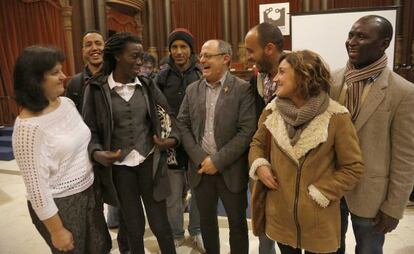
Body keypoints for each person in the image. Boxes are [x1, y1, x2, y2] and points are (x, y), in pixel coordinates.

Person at [249, 50, 365, 254]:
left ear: (303, 75)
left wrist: (321, 192)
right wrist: (260, 165)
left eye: (282, 72)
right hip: (280, 216)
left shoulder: (336, 116)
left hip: (318, 219)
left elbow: (353, 167)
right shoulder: (272, 110)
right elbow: (256, 144)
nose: (275, 78)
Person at [82, 32, 179, 254]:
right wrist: (97, 153)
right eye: (134, 56)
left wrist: (171, 140)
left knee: (161, 225)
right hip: (120, 170)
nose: (140, 62)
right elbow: (89, 132)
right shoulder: (95, 89)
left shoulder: (146, 85)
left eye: (141, 57)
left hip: (149, 162)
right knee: (133, 227)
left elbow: (169, 115)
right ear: (117, 56)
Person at [12, 46, 111, 253]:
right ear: (35, 80)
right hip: (62, 205)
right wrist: (56, 230)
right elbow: (37, 191)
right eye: (55, 72)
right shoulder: (27, 129)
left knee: (101, 247)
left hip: (90, 193)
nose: (63, 76)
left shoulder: (66, 104)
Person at [330, 15, 414, 254]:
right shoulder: (332, 81)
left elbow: (405, 158)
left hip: (372, 196)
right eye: (351, 35)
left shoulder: (403, 92)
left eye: (362, 36)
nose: (352, 42)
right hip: (331, 188)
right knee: (328, 249)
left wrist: (394, 207)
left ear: (384, 43)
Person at [177, 39, 257, 254]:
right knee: (206, 223)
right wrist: (201, 158)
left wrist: (217, 161)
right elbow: (182, 124)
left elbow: (247, 130)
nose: (202, 60)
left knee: (237, 225)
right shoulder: (192, 89)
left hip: (230, 171)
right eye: (201, 56)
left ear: (225, 58)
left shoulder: (242, 89)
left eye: (208, 56)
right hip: (200, 170)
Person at [154, 28, 204, 251]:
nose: (179, 51)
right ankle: (175, 232)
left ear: (191, 49)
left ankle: (196, 230)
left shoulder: (202, 74)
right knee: (173, 194)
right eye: (174, 47)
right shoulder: (161, 77)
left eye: (183, 46)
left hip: (196, 144)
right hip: (170, 145)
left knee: (199, 192)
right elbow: (156, 110)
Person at [244, 22, 284, 254]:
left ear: (269, 48)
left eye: (251, 51)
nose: (248, 57)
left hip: (290, 166)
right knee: (262, 219)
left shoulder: (301, 76)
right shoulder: (256, 81)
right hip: (261, 163)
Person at [66, 30, 105, 112]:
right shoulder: (74, 83)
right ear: (83, 51)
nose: (94, 48)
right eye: (88, 45)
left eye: (98, 43)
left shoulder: (116, 78)